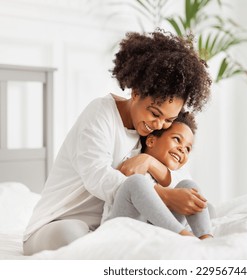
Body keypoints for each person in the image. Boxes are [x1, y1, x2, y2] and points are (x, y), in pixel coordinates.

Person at [23, 30, 212, 255]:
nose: (159, 124)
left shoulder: (152, 127)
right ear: (136, 92)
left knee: (195, 199)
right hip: (60, 221)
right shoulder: (101, 114)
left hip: (112, 223)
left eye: (169, 119)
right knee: (73, 236)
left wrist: (149, 163)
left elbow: (180, 174)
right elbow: (97, 177)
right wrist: (163, 195)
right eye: (155, 113)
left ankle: (203, 243)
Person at [105, 110, 213, 240]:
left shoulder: (176, 176)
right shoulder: (134, 164)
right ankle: (186, 237)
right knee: (136, 182)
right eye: (177, 139)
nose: (182, 149)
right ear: (151, 141)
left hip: (157, 235)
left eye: (188, 149)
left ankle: (207, 239)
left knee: (189, 187)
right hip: (124, 232)